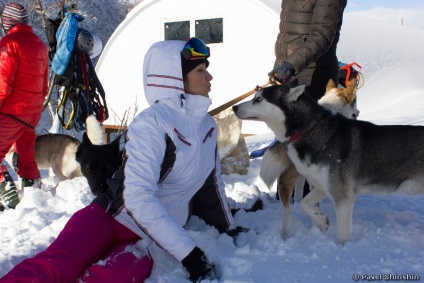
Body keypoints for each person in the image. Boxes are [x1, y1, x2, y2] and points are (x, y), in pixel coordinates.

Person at [1, 37, 246, 282]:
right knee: (53, 266)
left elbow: (211, 185)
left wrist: (229, 228)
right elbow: (138, 197)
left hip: (147, 240)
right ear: (175, 78)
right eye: (201, 70)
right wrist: (189, 254)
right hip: (107, 217)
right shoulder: (153, 123)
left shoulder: (207, 126)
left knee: (106, 278)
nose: (209, 77)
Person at [250, 0, 347, 158]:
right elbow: (288, 36)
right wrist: (281, 65)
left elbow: (321, 36)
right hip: (290, 73)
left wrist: (291, 65)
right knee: (287, 132)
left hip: (314, 78)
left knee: (310, 149)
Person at [0, 2, 49, 210]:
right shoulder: (39, 44)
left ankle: (8, 200)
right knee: (26, 156)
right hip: (32, 112)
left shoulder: (9, 43)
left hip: (12, 111)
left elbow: (3, 82)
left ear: (7, 22)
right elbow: (44, 84)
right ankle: (34, 198)